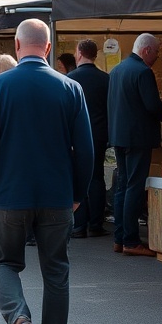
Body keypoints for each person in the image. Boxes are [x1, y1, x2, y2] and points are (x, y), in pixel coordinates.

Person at [0, 19, 94, 324]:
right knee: (57, 272)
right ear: (48, 47)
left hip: (11, 195)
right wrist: (78, 194)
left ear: (16, 44)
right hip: (57, 197)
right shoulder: (71, 88)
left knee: (3, 263)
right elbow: (86, 150)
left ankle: (18, 317)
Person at [107, 33, 162, 256]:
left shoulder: (116, 70)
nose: (157, 57)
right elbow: (153, 105)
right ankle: (131, 240)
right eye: (156, 52)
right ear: (146, 50)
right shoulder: (143, 72)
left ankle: (120, 237)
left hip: (119, 135)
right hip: (138, 137)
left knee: (123, 186)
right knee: (134, 186)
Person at [68, 40, 110, 238]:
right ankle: (96, 223)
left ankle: (79, 224)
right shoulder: (105, 79)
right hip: (100, 134)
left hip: (76, 136)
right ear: (94, 55)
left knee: (78, 177)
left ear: (79, 53)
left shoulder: (70, 79)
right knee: (97, 177)